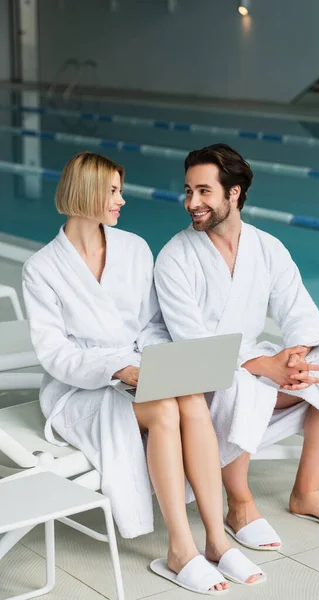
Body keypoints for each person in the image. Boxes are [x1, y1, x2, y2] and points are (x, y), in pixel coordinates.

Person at [22, 151, 266, 595]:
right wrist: (120, 368)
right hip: (80, 391)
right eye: (114, 192)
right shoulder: (41, 269)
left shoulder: (133, 249)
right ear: (88, 194)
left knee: (190, 397)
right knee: (162, 410)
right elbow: (55, 355)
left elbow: (154, 324)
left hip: (139, 369)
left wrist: (150, 365)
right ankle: (180, 548)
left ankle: (214, 538)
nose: (122, 201)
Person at [154, 143, 319, 550]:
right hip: (204, 370)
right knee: (239, 386)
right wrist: (263, 366)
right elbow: (192, 341)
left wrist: (296, 356)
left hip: (258, 359)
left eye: (204, 192)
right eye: (188, 191)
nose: (192, 203)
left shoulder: (266, 247)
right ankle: (239, 504)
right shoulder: (175, 257)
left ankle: (306, 492)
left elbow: (299, 309)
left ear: (233, 193)